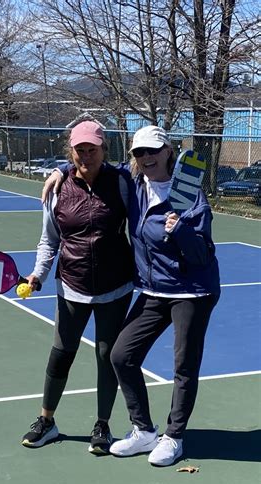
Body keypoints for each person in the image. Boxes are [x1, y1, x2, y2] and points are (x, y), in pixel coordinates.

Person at [42, 125, 220, 466]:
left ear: (168, 150)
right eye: (139, 152)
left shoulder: (191, 192)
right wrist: (61, 170)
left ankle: (174, 437)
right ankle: (143, 430)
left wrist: (180, 230)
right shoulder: (131, 182)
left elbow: (201, 255)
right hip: (154, 290)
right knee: (121, 355)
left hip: (192, 291)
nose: (147, 158)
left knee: (184, 365)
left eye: (153, 151)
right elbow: (90, 165)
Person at [21, 121, 135, 454]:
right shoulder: (57, 188)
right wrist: (37, 274)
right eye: (80, 150)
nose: (86, 156)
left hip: (115, 286)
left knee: (106, 356)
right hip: (71, 284)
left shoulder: (122, 183)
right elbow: (49, 240)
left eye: (92, 149)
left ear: (104, 150)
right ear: (71, 152)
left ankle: (102, 425)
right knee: (61, 353)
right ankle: (47, 421)